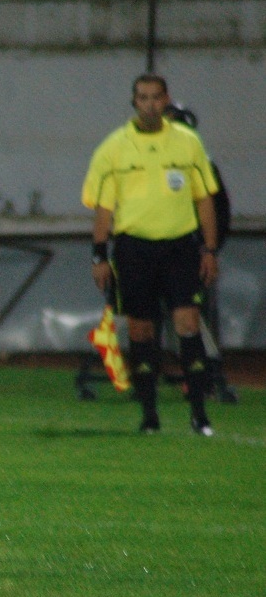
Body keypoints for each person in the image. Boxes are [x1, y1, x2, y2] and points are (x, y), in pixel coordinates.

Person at [82, 74, 220, 436]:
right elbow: (103, 208)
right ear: (133, 102)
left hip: (180, 247)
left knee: (188, 324)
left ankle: (200, 415)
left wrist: (209, 248)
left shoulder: (188, 143)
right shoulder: (113, 148)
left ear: (166, 100)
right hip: (134, 249)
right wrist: (99, 256)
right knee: (141, 331)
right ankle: (149, 416)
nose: (149, 104)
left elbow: (205, 199)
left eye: (156, 97)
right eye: (142, 98)